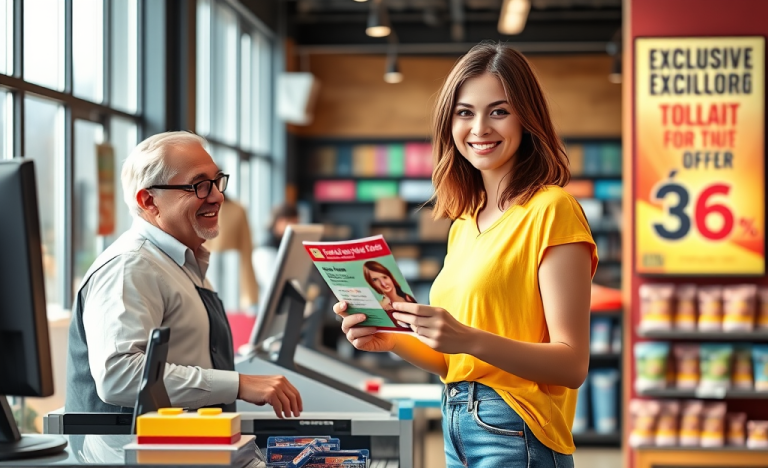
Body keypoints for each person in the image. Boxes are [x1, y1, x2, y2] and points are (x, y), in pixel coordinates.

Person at [334, 42, 597, 468]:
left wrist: (468, 337)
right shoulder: (464, 225)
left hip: (516, 429)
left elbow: (571, 364)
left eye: (499, 111)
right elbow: (452, 361)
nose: (479, 128)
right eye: (464, 112)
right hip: (458, 421)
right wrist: (391, 340)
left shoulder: (552, 209)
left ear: (526, 118)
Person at [66, 131, 302, 419]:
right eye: (199, 185)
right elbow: (119, 376)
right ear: (149, 200)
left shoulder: (183, 262)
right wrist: (238, 384)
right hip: (136, 456)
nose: (217, 196)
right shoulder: (131, 266)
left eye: (216, 181)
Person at [362, 261, 416, 329]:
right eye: (375, 280)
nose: (383, 284)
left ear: (390, 277)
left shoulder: (408, 298)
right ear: (371, 284)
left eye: (384, 277)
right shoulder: (378, 308)